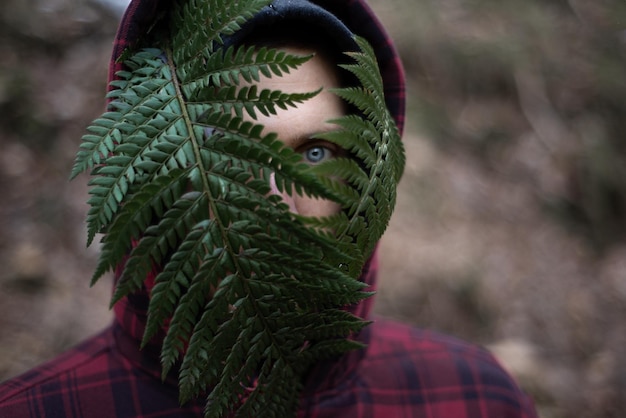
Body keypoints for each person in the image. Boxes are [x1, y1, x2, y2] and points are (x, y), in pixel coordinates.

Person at [0, 0, 539, 417]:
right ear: (146, 171)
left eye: (318, 151)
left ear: (370, 178)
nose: (276, 199)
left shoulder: (473, 398)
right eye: (224, 147)